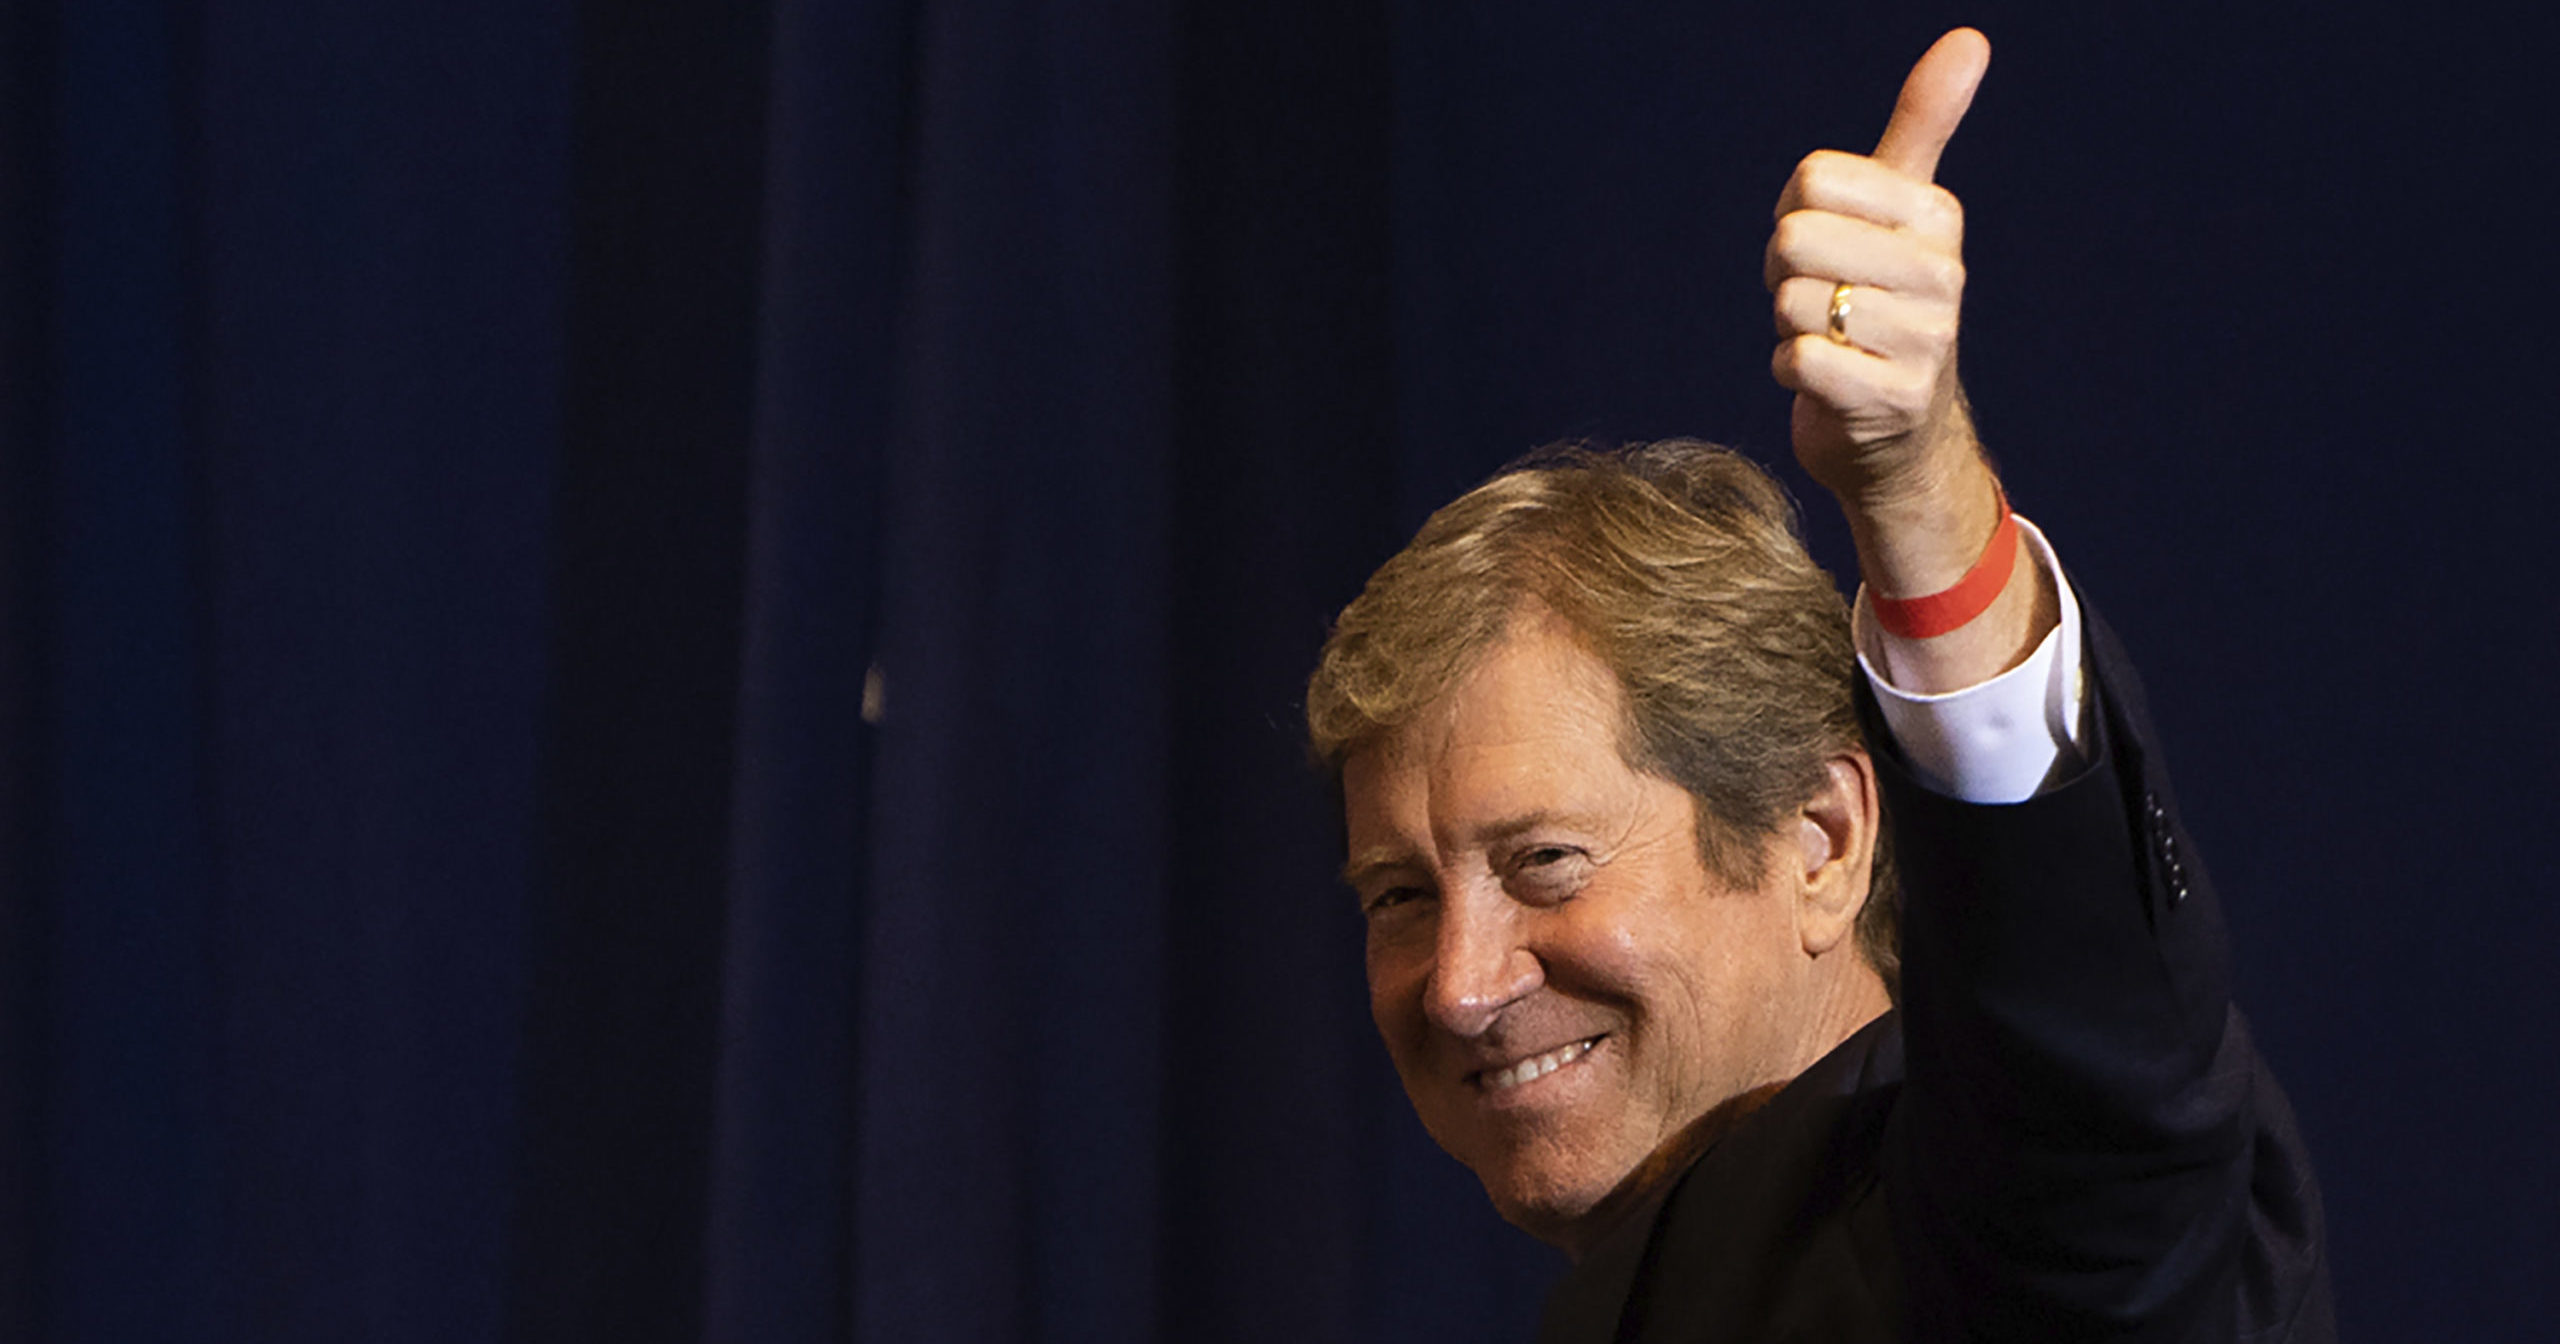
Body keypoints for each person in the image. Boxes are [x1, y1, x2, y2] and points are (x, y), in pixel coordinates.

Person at [1304, 29, 2332, 1342]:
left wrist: (1918, 499)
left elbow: (2096, 1089)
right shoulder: (1655, 1279)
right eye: (1401, 894)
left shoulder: (1990, 1211)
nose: (1459, 983)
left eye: (1547, 860)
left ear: (1825, 840)